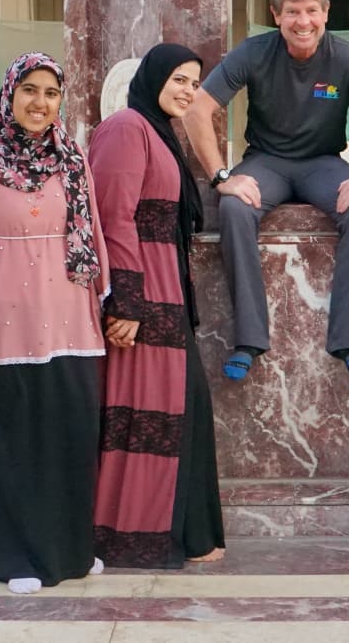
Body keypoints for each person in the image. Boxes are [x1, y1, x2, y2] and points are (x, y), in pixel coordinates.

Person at [183, 0, 349, 383]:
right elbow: (197, 110)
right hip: (266, 162)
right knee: (234, 208)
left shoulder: (345, 58)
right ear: (276, 15)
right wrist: (222, 177)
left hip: (321, 164)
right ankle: (248, 341)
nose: (302, 21)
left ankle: (347, 343)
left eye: (312, 10)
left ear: (326, 14)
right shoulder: (254, 53)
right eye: (292, 12)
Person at [0, 52, 109, 594]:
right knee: (16, 439)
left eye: (51, 93)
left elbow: (94, 239)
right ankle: (12, 553)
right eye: (30, 90)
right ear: (9, 95)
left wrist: (108, 306)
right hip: (3, 328)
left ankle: (70, 550)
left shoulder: (71, 159)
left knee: (69, 435)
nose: (40, 103)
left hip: (70, 323)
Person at [89, 43, 225, 568]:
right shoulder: (127, 127)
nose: (188, 90)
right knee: (150, 416)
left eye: (195, 82)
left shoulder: (159, 132)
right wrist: (125, 303)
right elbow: (113, 217)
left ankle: (189, 537)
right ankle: (133, 537)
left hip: (167, 298)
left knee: (182, 413)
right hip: (142, 302)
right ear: (152, 78)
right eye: (179, 79)